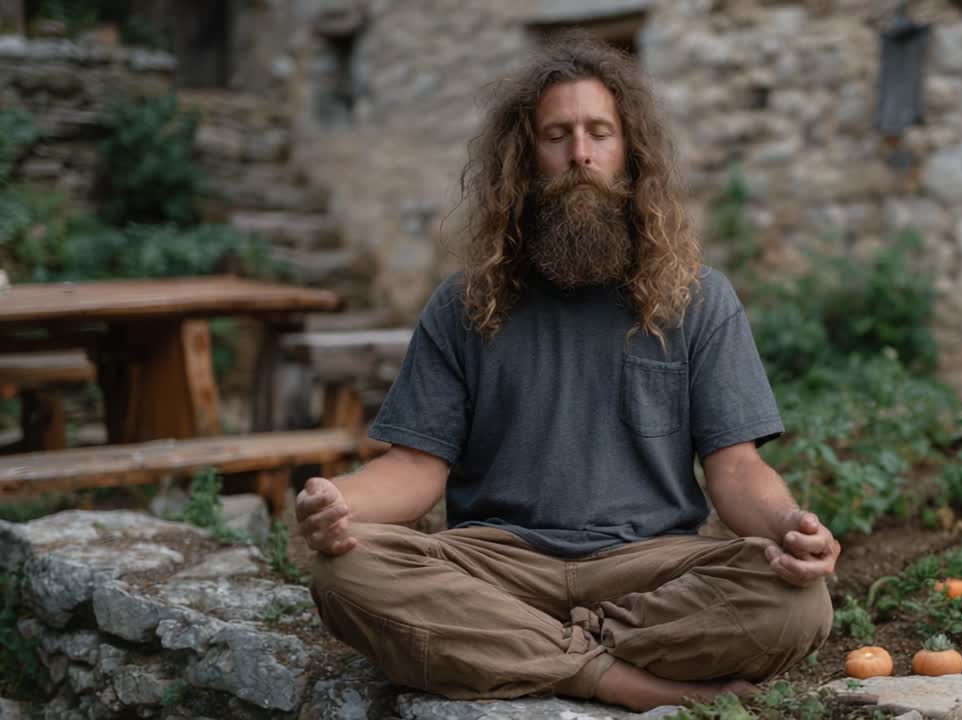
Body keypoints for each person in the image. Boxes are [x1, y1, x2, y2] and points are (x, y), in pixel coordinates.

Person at [297, 35, 838, 713]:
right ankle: (615, 678)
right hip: (498, 566)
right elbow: (415, 469)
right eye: (557, 136)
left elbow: (735, 470)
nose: (579, 154)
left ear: (629, 153)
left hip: (651, 566)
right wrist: (337, 505)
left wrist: (790, 524)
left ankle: (532, 653)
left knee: (796, 600)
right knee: (343, 570)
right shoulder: (464, 304)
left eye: (598, 133)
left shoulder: (698, 299)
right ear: (525, 159)